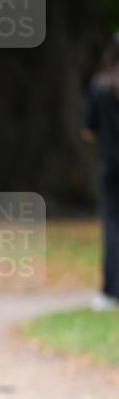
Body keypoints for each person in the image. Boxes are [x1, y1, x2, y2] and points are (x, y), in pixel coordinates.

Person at [82, 32, 119, 311]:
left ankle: (111, 292)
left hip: (110, 165)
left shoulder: (100, 85)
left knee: (112, 227)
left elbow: (88, 131)